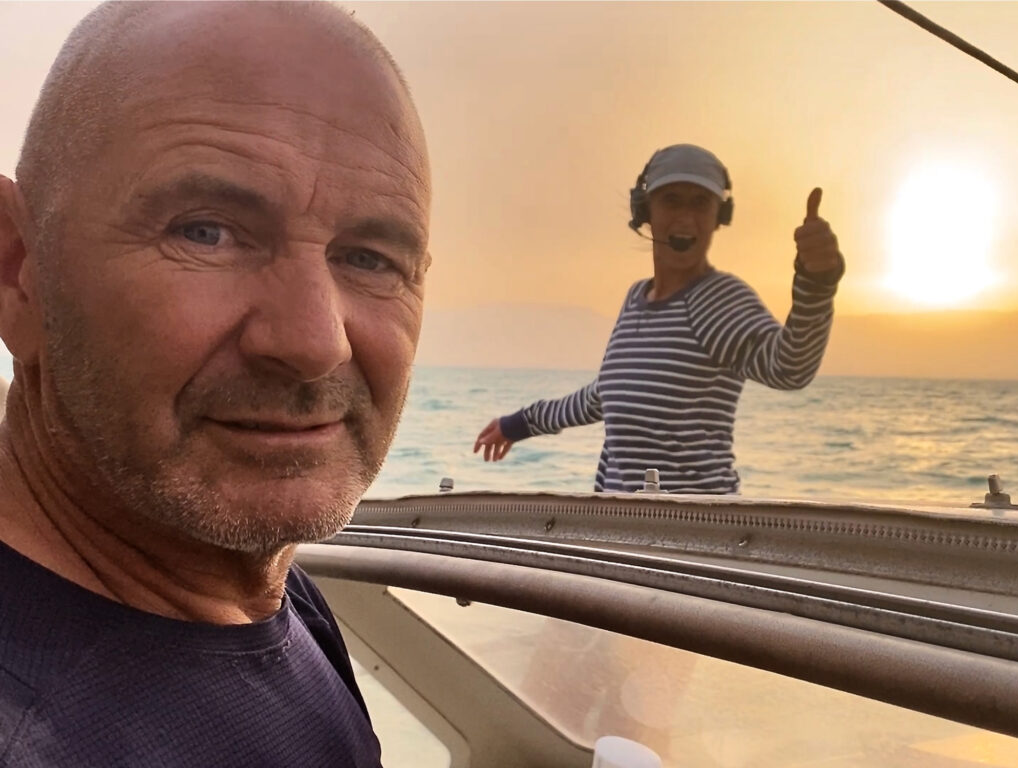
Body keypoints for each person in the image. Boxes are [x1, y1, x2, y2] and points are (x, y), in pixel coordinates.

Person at [0, 2, 431, 765]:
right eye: (207, 232)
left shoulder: (248, 585)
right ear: (16, 272)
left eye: (369, 258)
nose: (314, 343)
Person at [474, 144, 844, 494]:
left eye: (700, 203)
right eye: (671, 200)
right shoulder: (636, 299)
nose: (686, 217)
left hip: (692, 530)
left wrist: (817, 281)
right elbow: (605, 395)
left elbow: (789, 368)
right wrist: (518, 424)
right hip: (620, 526)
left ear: (718, 216)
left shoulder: (719, 300)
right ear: (645, 210)